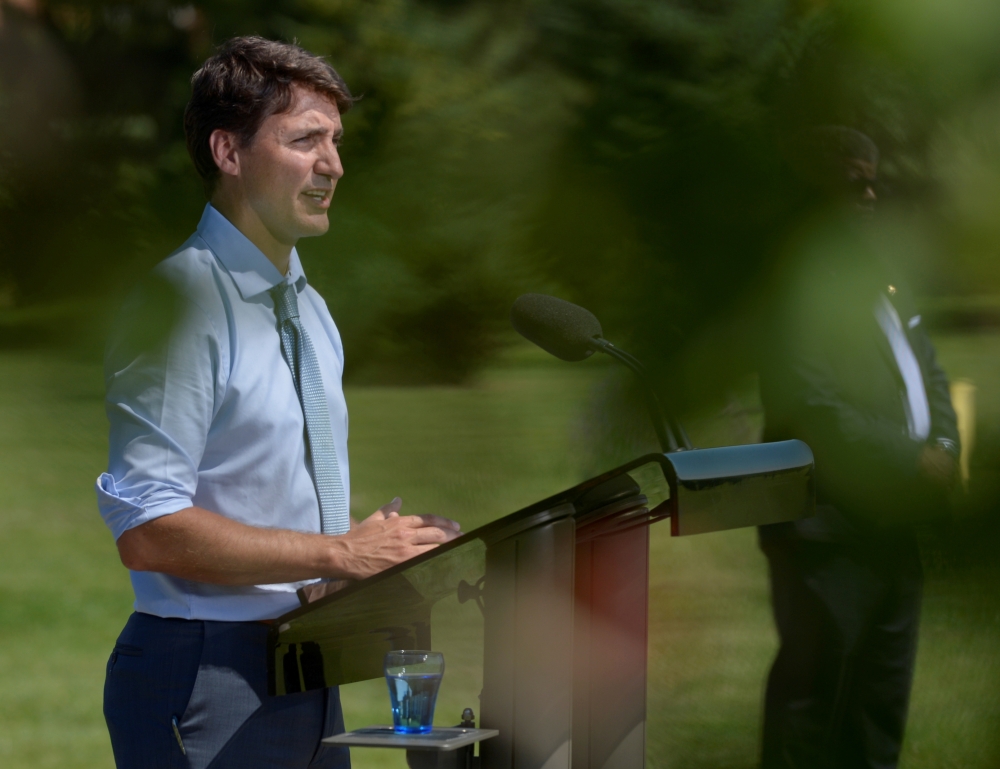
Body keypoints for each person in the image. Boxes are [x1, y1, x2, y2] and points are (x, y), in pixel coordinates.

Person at [95, 37, 462, 768]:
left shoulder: (308, 309)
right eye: (305, 140)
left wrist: (366, 557)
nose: (333, 165)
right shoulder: (184, 306)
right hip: (205, 670)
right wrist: (339, 551)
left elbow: (262, 489)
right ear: (228, 152)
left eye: (335, 141)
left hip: (305, 661)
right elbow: (148, 526)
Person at [757, 127, 960, 769]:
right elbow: (815, 409)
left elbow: (927, 369)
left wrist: (947, 440)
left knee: (879, 703)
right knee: (815, 706)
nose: (870, 193)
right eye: (853, 180)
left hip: (894, 524)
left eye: (875, 180)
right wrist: (911, 459)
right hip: (826, 527)